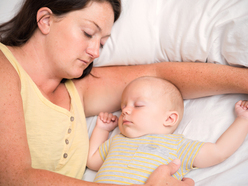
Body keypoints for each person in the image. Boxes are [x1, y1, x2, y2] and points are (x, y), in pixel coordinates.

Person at [0, 0, 248, 185]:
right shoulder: (4, 65)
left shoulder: (77, 90)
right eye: (88, 33)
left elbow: (157, 77)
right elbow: (15, 177)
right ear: (45, 20)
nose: (95, 52)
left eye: (102, 43)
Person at [87, 76, 248, 184]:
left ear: (169, 119)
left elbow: (218, 152)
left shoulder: (177, 145)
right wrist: (102, 129)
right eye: (123, 106)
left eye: (138, 105)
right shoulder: (117, 140)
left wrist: (243, 120)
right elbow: (92, 161)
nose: (125, 111)